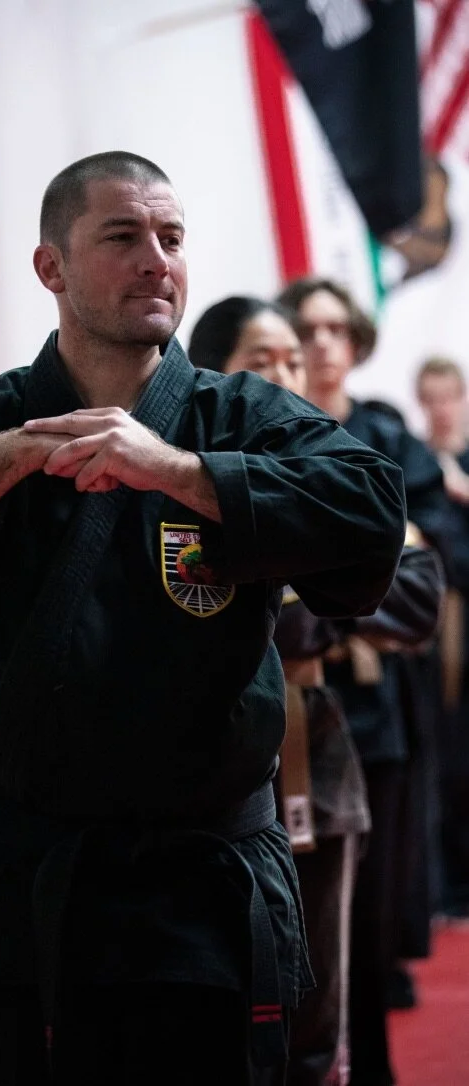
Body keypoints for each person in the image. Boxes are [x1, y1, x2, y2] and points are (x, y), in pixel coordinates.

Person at [0, 153, 407, 1086]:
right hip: (30, 883)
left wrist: (177, 472)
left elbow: (368, 504)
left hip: (202, 890)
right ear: (51, 268)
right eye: (122, 237)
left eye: (170, 238)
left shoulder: (234, 416)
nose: (156, 260)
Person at [189, 296, 444, 1086]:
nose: (287, 375)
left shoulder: (339, 467)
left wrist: (291, 589)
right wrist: (333, 589)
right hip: (215, 760)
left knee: (341, 970)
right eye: (262, 361)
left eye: (293, 359)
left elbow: (419, 591)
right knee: (224, 985)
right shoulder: (183, 473)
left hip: (334, 741)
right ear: (213, 375)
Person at [277, 276, 450, 1086]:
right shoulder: (262, 433)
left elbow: (425, 563)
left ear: (353, 342)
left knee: (370, 923)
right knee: (292, 934)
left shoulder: (382, 435)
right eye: (301, 332)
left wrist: (325, 580)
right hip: (278, 714)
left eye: (331, 330)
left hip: (374, 711)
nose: (317, 346)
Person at [416, 356, 469, 919]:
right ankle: (444, 882)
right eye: (429, 397)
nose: (440, 408)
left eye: (447, 396)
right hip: (435, 625)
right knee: (443, 752)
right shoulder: (417, 461)